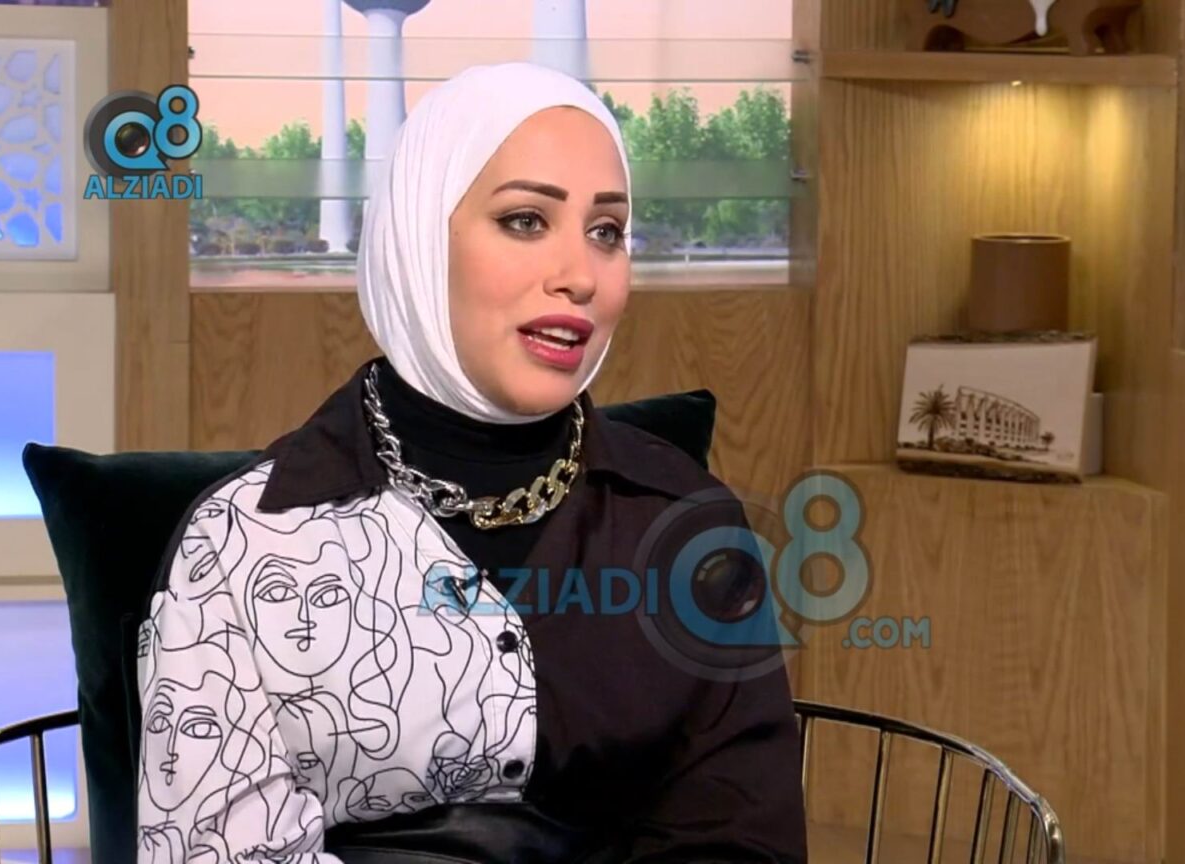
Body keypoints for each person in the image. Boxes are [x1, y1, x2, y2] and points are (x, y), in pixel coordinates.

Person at [134, 61, 808, 864]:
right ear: (417, 236)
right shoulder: (243, 542)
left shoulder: (688, 522)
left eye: (606, 231)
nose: (579, 276)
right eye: (526, 220)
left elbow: (740, 840)